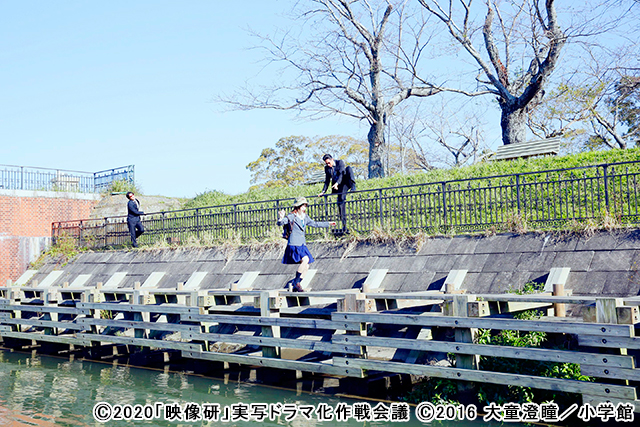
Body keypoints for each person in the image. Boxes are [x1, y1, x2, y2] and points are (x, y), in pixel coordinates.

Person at [277, 197, 336, 291]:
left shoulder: (305, 217)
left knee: (307, 265)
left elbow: (315, 224)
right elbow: (281, 223)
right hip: (294, 244)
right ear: (298, 207)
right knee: (305, 259)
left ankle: (297, 283)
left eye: (305, 206)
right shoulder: (292, 216)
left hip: (302, 244)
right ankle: (296, 282)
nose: (304, 208)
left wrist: (328, 223)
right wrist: (281, 218)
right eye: (302, 206)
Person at [318, 154, 356, 234]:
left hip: (344, 182)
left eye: (329, 162)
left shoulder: (340, 163)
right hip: (338, 186)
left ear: (332, 159)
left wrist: (337, 183)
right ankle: (344, 225)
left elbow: (342, 174)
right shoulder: (327, 169)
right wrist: (323, 191)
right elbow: (327, 180)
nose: (328, 164)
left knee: (349, 168)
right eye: (326, 163)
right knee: (340, 202)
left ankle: (353, 186)